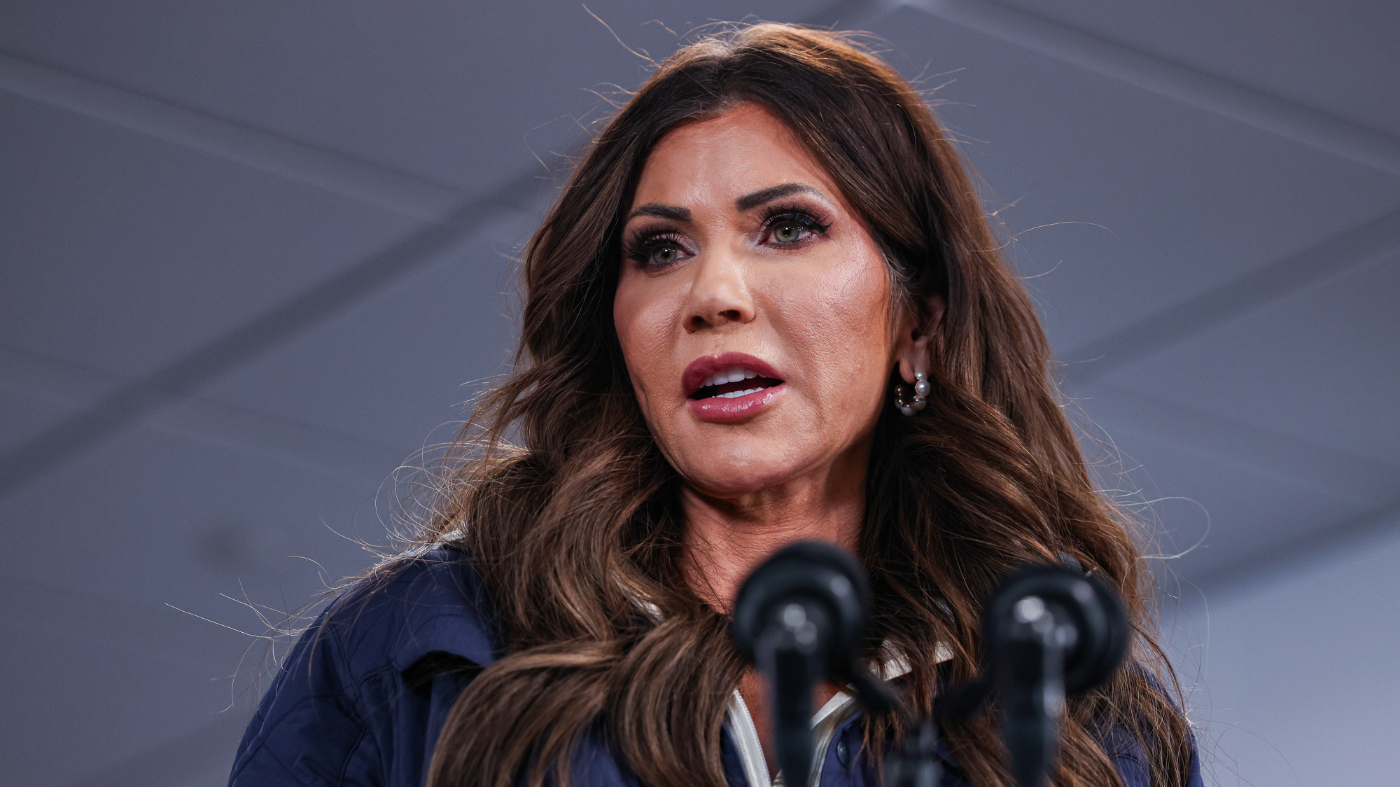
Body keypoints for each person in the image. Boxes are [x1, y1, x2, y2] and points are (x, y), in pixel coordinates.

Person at [229, 23, 1201, 787]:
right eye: (660, 249)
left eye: (787, 227)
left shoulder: (1085, 723)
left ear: (920, 321)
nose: (713, 294)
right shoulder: (423, 644)